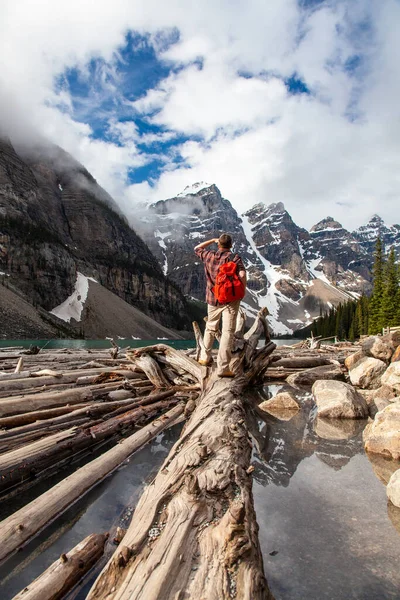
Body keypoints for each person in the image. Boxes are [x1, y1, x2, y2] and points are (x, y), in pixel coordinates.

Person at [194, 233, 247, 377]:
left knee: (210, 327)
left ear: (219, 244)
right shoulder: (234, 258)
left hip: (212, 298)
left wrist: (211, 239)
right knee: (227, 332)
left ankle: (205, 357)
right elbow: (242, 275)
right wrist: (242, 289)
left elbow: (197, 248)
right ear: (231, 245)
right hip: (230, 300)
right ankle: (223, 368)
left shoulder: (209, 255)